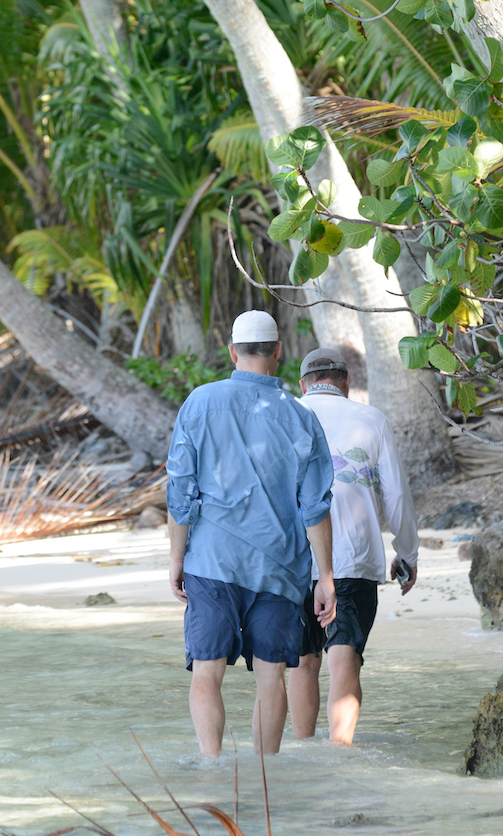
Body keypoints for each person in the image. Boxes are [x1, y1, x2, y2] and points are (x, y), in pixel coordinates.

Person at [166, 311, 337, 757]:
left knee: (206, 673)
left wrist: (176, 559)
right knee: (271, 677)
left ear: (232, 352)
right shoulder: (300, 417)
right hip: (278, 568)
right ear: (279, 351)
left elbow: (180, 491)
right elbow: (315, 506)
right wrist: (326, 576)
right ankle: (267, 779)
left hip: (212, 560)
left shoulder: (199, 403)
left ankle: (211, 768)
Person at [287, 347, 419, 746]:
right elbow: (396, 496)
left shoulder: (285, 415)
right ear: (346, 383)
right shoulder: (371, 418)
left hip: (292, 560)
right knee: (345, 655)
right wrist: (407, 552)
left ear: (303, 383)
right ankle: (339, 755)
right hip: (353, 559)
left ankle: (303, 753)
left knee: (302, 661)